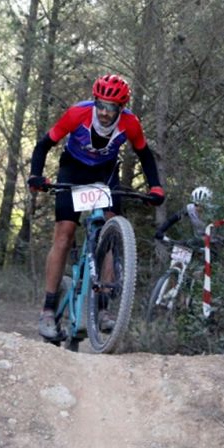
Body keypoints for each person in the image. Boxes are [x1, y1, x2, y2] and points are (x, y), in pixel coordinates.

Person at [27, 73, 165, 339]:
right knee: (64, 234)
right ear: (94, 101)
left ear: (121, 108)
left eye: (111, 107)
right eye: (100, 104)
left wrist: (156, 187)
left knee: (111, 234)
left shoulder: (130, 123)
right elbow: (44, 145)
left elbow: (144, 154)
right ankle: (48, 308)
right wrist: (36, 175)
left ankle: (103, 308)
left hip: (104, 175)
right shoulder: (77, 114)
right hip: (73, 172)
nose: (104, 112)